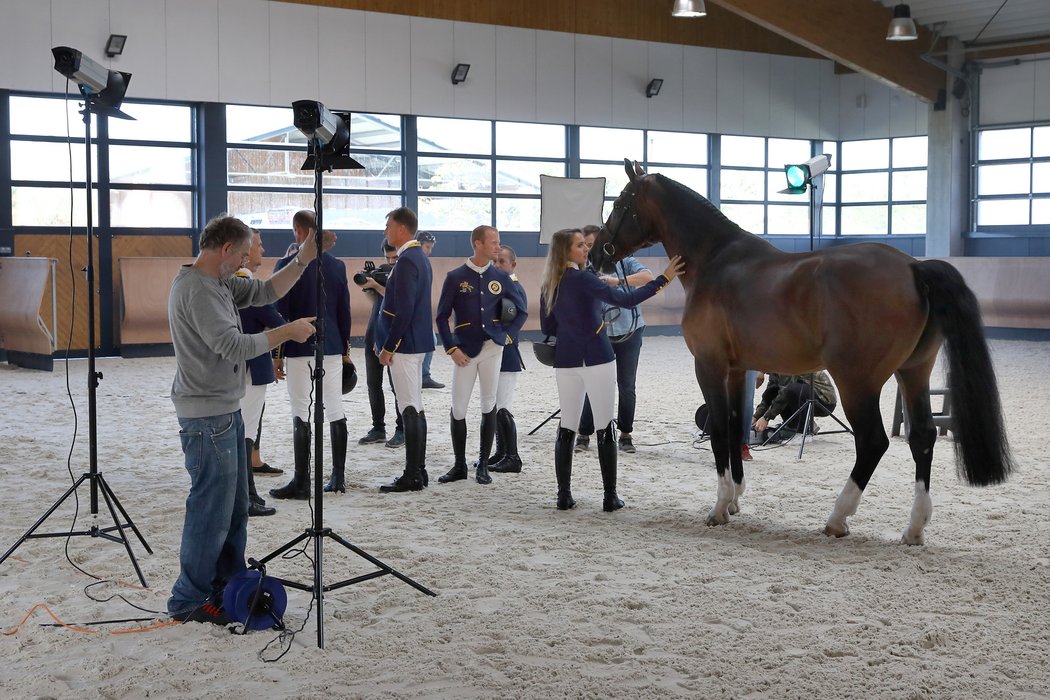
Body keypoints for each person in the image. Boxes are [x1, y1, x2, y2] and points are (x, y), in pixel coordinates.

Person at [167, 214, 318, 624]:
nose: (246, 263)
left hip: (225, 408)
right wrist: (287, 332)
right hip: (206, 415)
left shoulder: (218, 281)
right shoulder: (197, 289)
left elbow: (266, 290)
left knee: (234, 510)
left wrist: (303, 259)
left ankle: (228, 582)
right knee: (210, 511)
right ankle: (188, 599)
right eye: (245, 254)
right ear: (226, 249)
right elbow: (232, 346)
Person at [539, 228, 683, 512]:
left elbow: (548, 329)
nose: (585, 250)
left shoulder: (549, 283)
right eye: (579, 245)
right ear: (566, 252)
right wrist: (664, 278)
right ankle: (609, 496)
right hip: (596, 357)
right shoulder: (584, 278)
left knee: (567, 425)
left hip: (566, 360)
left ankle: (564, 495)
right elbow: (628, 300)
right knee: (605, 425)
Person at [434, 226, 528, 485]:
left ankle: (483, 464)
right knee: (459, 407)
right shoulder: (455, 276)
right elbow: (442, 317)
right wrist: (451, 348)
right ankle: (459, 465)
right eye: (493, 242)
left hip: (492, 349)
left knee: (488, 405)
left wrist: (506, 336)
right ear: (478, 244)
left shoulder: (500, 276)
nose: (498, 247)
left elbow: (521, 311)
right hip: (464, 351)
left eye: (498, 243)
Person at [270, 211, 354, 497]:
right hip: (330, 346)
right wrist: (343, 350)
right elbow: (344, 311)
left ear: (299, 231)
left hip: (296, 346)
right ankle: (338, 478)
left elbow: (280, 312)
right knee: (335, 409)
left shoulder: (285, 265)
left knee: (300, 412)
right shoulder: (337, 265)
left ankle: (302, 480)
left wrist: (276, 353)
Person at [376, 207, 436, 493]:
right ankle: (418, 470)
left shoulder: (409, 260)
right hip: (414, 342)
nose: (386, 230)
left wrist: (389, 346)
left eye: (388, 225)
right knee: (415, 406)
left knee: (409, 406)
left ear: (402, 229)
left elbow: (405, 309)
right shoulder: (416, 258)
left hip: (406, 344)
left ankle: (413, 473)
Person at [575, 254, 654, 454]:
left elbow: (648, 277)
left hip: (631, 330)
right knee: (595, 383)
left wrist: (618, 281)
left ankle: (625, 435)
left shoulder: (626, 262)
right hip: (600, 333)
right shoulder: (588, 267)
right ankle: (584, 433)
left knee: (627, 385)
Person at [235, 228, 286, 517]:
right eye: (258, 244)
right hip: (251, 366)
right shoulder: (247, 285)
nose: (263, 250)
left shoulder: (227, 282)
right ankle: (246, 497)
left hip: (232, 366)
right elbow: (274, 321)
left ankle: (246, 493)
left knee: (242, 430)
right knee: (247, 432)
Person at [356, 241, 404, 446]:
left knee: (397, 387)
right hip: (374, 332)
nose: (391, 262)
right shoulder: (381, 272)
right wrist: (369, 287)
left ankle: (402, 429)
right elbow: (376, 301)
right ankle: (378, 427)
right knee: (373, 384)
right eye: (388, 258)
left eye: (395, 258)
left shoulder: (405, 274)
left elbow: (396, 300)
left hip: (395, 336)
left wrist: (377, 285)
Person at [488, 244, 527, 474]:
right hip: (495, 352)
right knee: (493, 405)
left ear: (513, 264)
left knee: (503, 406)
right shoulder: (496, 287)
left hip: (508, 354)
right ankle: (501, 452)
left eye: (502, 261)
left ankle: (513, 456)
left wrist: (507, 338)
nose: (497, 265)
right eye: (495, 261)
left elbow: (521, 314)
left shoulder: (514, 286)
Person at [752, 371, 838, 438]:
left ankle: (802, 432)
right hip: (806, 394)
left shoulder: (784, 363)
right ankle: (794, 425)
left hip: (824, 401)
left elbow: (783, 394)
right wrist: (756, 417)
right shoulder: (774, 368)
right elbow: (769, 395)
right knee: (773, 391)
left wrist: (766, 418)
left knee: (790, 390)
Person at [415, 230, 445, 392]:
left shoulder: (423, 263)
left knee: (430, 340)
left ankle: (423, 375)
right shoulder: (417, 262)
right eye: (427, 247)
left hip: (421, 312)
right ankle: (422, 375)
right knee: (430, 341)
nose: (429, 251)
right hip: (417, 313)